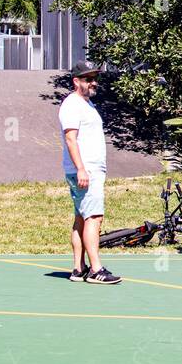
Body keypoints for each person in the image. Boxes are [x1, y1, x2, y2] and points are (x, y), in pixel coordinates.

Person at [60, 61, 120, 285]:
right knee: (94, 217)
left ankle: (78, 268)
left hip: (89, 169)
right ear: (77, 82)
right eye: (88, 79)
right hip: (86, 171)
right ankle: (96, 270)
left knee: (82, 218)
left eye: (95, 78)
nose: (93, 82)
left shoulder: (86, 104)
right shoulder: (72, 105)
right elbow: (70, 138)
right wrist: (81, 169)